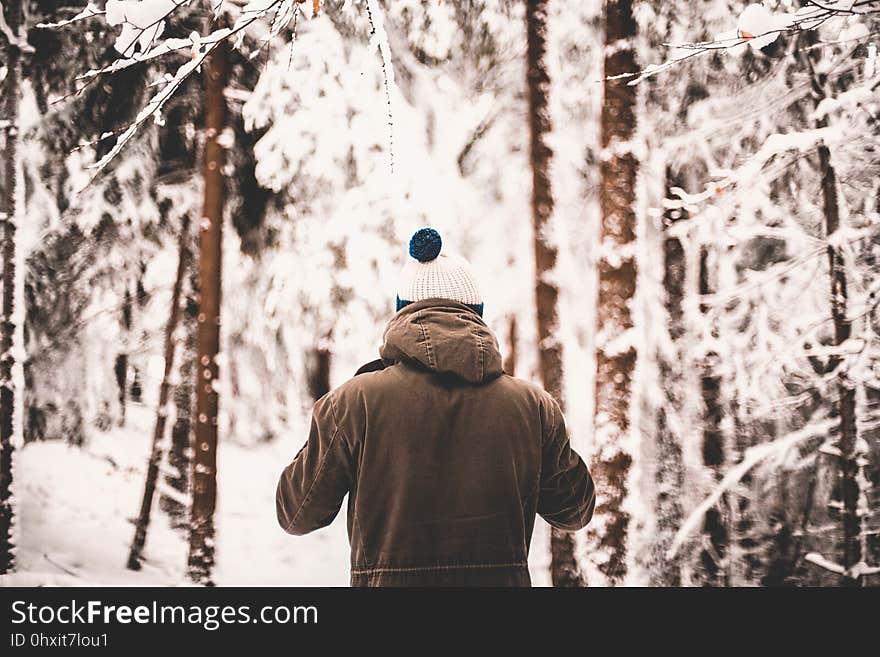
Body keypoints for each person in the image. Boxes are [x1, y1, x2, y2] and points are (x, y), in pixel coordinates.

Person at [276, 228, 596, 586]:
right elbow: (576, 510)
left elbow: (296, 514)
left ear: (401, 313)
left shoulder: (354, 402)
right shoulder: (533, 406)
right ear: (476, 315)